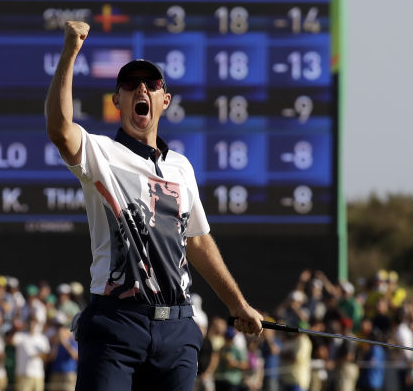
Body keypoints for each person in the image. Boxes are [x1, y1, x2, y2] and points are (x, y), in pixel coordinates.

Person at [45, 20, 263, 391]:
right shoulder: (102, 153)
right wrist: (70, 51)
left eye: (151, 84)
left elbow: (196, 242)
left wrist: (237, 303)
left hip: (177, 328)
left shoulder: (181, 167)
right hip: (117, 323)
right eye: (129, 85)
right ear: (117, 101)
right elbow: (59, 127)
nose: (140, 88)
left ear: (165, 100)